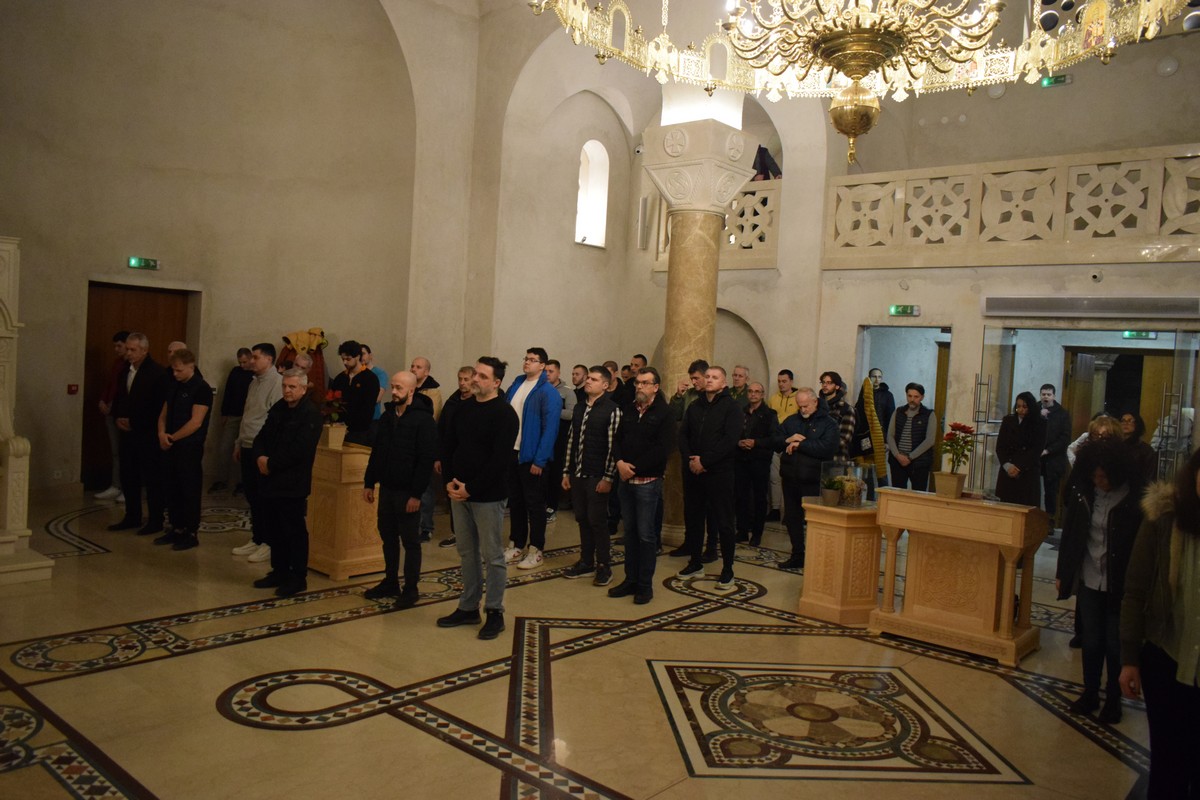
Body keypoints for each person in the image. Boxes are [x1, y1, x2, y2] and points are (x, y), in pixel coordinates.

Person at [1119, 446, 1200, 798]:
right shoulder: (1164, 521)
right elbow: (1136, 591)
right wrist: (1129, 658)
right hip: (1166, 659)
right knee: (1168, 765)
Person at [1056, 438, 1145, 723]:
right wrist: (1063, 572)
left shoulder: (1134, 500)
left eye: (1104, 477)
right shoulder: (1085, 493)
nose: (1099, 481)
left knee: (1114, 643)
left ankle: (1113, 699)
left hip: (1119, 583)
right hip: (1090, 577)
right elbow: (1071, 533)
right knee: (1092, 640)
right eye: (1095, 476)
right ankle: (1090, 692)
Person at [438, 357, 520, 640]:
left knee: (492, 555)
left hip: (487, 496)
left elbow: (499, 460)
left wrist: (471, 488)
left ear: (496, 383)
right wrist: (449, 480)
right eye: (475, 374)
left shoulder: (505, 414)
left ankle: (495, 611)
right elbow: (449, 446)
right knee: (466, 552)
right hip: (458, 491)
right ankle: (468, 607)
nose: (475, 379)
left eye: (482, 376)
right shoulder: (463, 408)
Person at [362, 371, 438, 609]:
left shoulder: (423, 420)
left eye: (399, 388)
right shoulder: (388, 416)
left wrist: (416, 494)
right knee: (388, 537)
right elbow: (377, 452)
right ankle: (390, 581)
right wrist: (368, 482)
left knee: (410, 541)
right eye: (393, 387)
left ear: (411, 390)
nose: (394, 392)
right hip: (387, 488)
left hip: (408, 492)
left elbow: (425, 460)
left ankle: (411, 588)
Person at [249, 368, 324, 597]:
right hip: (270, 479)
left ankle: (298, 577)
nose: (287, 390)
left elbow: (299, 450)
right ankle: (279, 570)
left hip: (292, 482)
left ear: (303, 388)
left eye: (292, 387)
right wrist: (260, 457)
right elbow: (262, 436)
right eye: (284, 386)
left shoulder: (310, 414)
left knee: (293, 530)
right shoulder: (279, 408)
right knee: (274, 527)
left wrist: (271, 463)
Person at [610, 366, 675, 604]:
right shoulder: (629, 409)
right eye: (638, 382)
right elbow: (617, 440)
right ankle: (630, 579)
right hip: (625, 479)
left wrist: (633, 468)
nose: (639, 386)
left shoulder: (665, 413)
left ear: (655, 387)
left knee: (646, 535)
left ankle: (645, 585)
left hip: (647, 481)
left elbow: (663, 449)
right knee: (630, 532)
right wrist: (619, 462)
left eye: (644, 383)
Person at [677, 366, 742, 588]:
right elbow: (683, 435)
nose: (710, 380)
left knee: (724, 522)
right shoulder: (695, 406)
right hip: (694, 471)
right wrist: (691, 460)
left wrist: (705, 461)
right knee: (694, 519)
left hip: (719, 472)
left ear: (724, 383)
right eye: (707, 376)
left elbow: (730, 440)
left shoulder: (732, 407)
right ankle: (695, 562)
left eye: (715, 377)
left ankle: (728, 569)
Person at [561, 366, 621, 587]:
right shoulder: (579, 408)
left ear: (605, 385)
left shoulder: (612, 409)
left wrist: (608, 477)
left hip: (598, 474)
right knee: (582, 518)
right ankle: (586, 561)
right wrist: (566, 471)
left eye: (594, 379)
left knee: (597, 520)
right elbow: (571, 440)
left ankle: (604, 565)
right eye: (588, 378)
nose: (588, 382)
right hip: (578, 472)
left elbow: (614, 446)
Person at [503, 347, 560, 570]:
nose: (527, 362)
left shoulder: (548, 392)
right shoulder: (516, 384)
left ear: (542, 365)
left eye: (533, 360)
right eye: (526, 358)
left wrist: (540, 460)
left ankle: (536, 549)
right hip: (512, 453)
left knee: (535, 505)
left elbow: (550, 429)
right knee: (515, 501)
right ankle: (516, 544)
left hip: (533, 457)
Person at [108, 332, 169, 535]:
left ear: (144, 350)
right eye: (127, 349)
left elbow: (158, 407)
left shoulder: (157, 373)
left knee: (152, 478)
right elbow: (121, 397)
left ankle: (155, 520)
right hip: (128, 434)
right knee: (128, 475)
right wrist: (119, 417)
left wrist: (135, 422)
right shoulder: (125, 371)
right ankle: (132, 515)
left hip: (148, 434)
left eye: (133, 350)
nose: (128, 353)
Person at [155, 348, 213, 550]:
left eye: (179, 370)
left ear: (191, 366)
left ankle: (190, 531)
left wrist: (172, 437)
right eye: (173, 369)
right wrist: (161, 433)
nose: (175, 373)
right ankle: (176, 527)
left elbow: (196, 422)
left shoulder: (201, 388)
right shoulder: (174, 385)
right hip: (169, 444)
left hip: (189, 446)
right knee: (172, 487)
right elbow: (163, 413)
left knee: (189, 488)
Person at [774, 387, 838, 568]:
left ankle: (816, 556)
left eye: (806, 406)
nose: (803, 410)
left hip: (813, 479)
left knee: (814, 521)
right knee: (792, 519)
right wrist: (787, 440)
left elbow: (827, 448)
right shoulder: (791, 421)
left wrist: (800, 444)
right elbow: (775, 440)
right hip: (790, 478)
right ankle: (797, 555)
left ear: (815, 402)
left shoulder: (829, 423)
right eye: (800, 406)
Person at [231, 343, 283, 564]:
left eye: (255, 357)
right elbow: (247, 414)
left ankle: (269, 542)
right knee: (252, 495)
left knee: (265, 497)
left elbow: (274, 420)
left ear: (269, 359)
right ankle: (257, 536)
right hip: (247, 444)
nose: (251, 361)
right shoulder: (254, 382)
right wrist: (238, 442)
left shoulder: (277, 383)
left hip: (262, 449)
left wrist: (266, 452)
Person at [435, 366, 475, 550]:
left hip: (468, 458)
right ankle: (457, 532)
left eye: (466, 379)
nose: (462, 383)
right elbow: (442, 430)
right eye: (460, 379)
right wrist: (438, 457)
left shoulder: (477, 402)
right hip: (449, 457)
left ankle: (471, 533)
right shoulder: (452, 401)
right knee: (452, 494)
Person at [735, 382, 778, 545]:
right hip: (741, 459)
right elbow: (734, 432)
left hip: (760, 460)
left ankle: (757, 533)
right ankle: (742, 531)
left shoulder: (769, 414)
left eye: (757, 392)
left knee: (759, 497)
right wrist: (738, 442)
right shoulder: (741, 412)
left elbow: (774, 439)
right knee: (741, 496)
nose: (753, 394)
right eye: (751, 391)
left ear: (762, 394)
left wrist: (756, 443)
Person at [209, 347, 253, 494]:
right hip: (233, 415)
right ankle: (221, 479)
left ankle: (242, 482)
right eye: (240, 362)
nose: (242, 365)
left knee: (244, 451)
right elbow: (228, 392)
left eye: (245, 362)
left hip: (248, 417)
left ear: (251, 358)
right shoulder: (235, 372)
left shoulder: (255, 374)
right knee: (224, 447)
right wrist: (224, 412)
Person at [410, 356, 443, 542]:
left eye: (418, 367)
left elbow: (431, 418)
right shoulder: (409, 387)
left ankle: (426, 527)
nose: (414, 369)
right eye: (412, 366)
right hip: (409, 445)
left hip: (425, 444)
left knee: (426, 489)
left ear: (426, 372)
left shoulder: (433, 392)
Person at [994, 391, 1046, 506]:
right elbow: (1000, 446)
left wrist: (1019, 467)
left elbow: (1037, 449)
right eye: (1018, 406)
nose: (1021, 410)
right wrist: (1007, 466)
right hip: (1008, 469)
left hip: (1027, 471)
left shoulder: (1040, 423)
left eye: (1024, 407)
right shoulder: (1008, 420)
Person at [95, 330, 129, 502]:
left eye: (119, 346)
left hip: (123, 414)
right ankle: (116, 485)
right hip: (112, 413)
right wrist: (103, 400)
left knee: (126, 452)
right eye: (115, 346)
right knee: (115, 452)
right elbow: (111, 385)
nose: (116, 349)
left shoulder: (131, 366)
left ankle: (127, 487)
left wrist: (113, 404)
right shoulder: (117, 364)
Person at [886, 382, 938, 492]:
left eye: (916, 397)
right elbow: (890, 435)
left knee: (918, 494)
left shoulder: (929, 414)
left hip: (919, 463)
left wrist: (910, 457)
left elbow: (930, 440)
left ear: (922, 397)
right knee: (897, 494)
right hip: (897, 461)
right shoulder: (898, 412)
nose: (912, 399)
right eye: (909, 396)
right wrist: (897, 455)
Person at [543, 359, 577, 520]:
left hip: (559, 439)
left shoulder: (567, 392)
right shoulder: (540, 388)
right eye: (545, 371)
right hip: (542, 437)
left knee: (555, 472)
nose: (547, 374)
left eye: (551, 371)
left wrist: (553, 410)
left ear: (558, 373)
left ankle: (552, 506)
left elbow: (571, 414)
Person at [330, 340, 380, 445]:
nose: (345, 362)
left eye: (348, 359)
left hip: (360, 431)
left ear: (357, 356)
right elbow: (332, 402)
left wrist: (351, 426)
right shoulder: (340, 378)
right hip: (339, 429)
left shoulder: (370, 378)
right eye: (343, 359)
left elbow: (368, 407)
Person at [767, 369, 800, 520]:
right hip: (776, 441)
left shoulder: (798, 398)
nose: (781, 384)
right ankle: (775, 509)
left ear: (791, 382)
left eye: (784, 381)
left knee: (790, 479)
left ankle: (788, 512)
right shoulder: (773, 399)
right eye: (779, 381)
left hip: (791, 443)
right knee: (774, 477)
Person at [1040, 383, 1072, 525]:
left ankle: (1050, 521)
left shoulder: (1062, 414)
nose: (1045, 397)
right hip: (1036, 458)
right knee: (1033, 489)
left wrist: (1048, 450)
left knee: (1051, 492)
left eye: (1048, 394)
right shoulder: (1035, 409)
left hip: (1053, 459)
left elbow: (1065, 438)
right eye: (1043, 394)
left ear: (1054, 396)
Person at [819, 370, 856, 461]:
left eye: (829, 383)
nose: (825, 385)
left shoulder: (846, 409)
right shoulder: (816, 406)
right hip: (816, 458)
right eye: (823, 382)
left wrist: (819, 443)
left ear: (837, 386)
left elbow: (845, 439)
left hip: (837, 458)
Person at [1120, 411, 1158, 483]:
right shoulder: (1116, 446)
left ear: (1137, 424)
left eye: (1130, 421)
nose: (1125, 423)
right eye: (1123, 421)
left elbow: (1150, 477)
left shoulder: (1146, 450)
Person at [360, 344, 389, 422]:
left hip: (373, 418)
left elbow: (377, 398)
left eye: (363, 353)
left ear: (370, 355)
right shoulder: (355, 374)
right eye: (358, 354)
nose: (361, 357)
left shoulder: (379, 373)